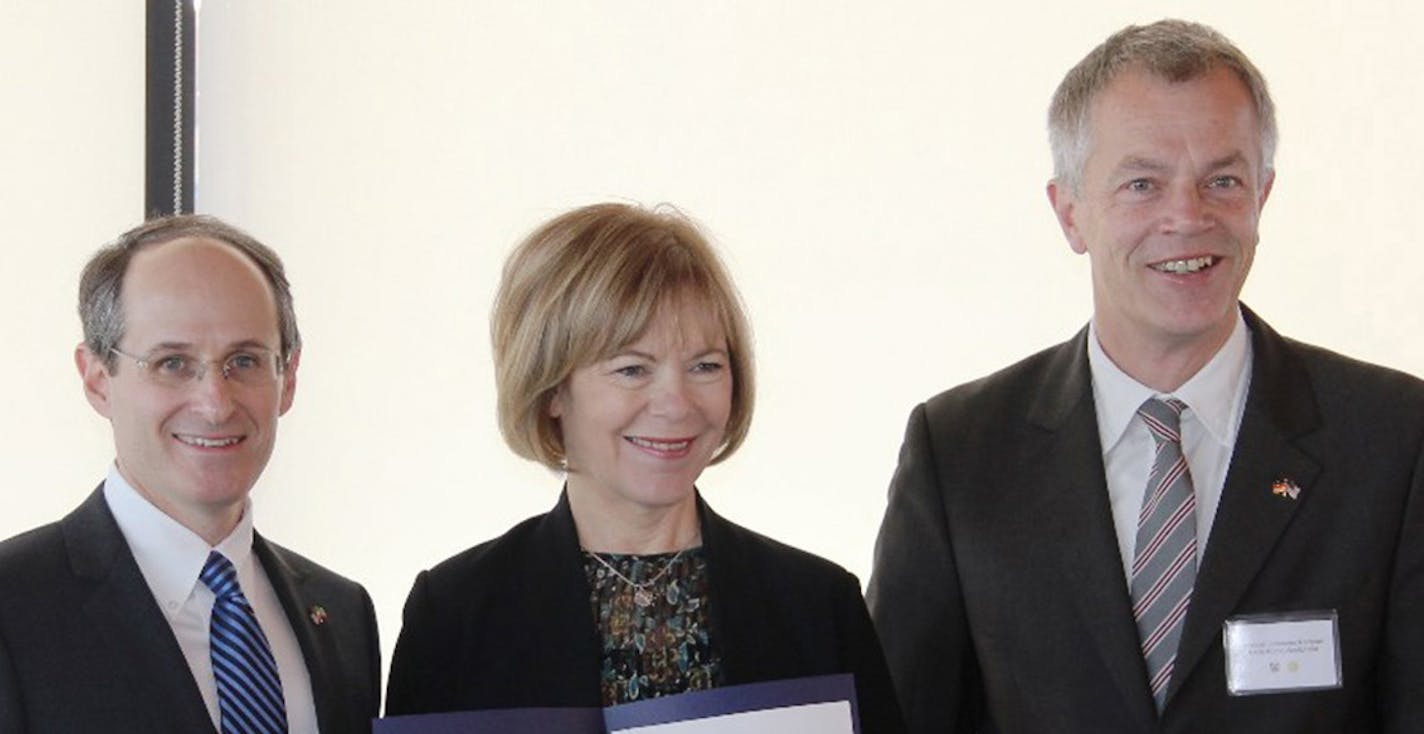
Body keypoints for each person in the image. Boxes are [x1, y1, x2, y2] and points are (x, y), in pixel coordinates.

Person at [867, 19, 1424, 733]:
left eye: (1222, 180)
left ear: (1264, 196)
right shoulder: (959, 453)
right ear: (1070, 214)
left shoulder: (1391, 440)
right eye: (1142, 184)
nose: (1186, 218)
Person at [385, 203, 904, 732]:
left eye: (705, 366)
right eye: (632, 369)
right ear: (552, 391)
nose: (676, 404)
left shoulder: (819, 606)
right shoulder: (454, 615)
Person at [0, 215, 381, 733]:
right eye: (173, 363)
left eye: (244, 361)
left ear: (287, 378)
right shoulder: (15, 607)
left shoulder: (343, 616)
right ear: (96, 380)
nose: (215, 403)